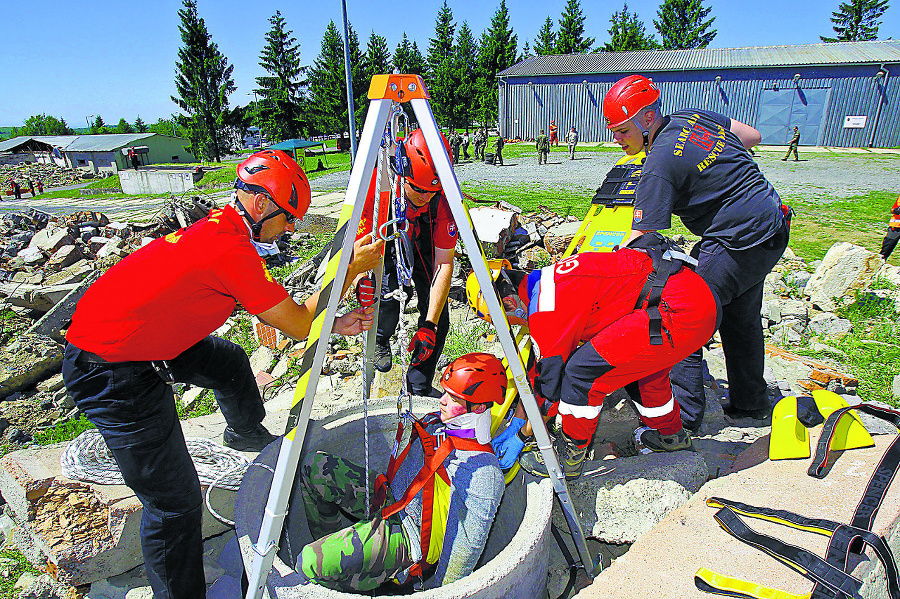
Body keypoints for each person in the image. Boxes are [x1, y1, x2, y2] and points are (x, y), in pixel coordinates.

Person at [62, 149, 384, 599]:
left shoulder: (221, 226)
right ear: (260, 205)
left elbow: (290, 311)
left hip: (142, 342)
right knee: (175, 504)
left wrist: (333, 320)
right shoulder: (228, 250)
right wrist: (350, 270)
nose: (290, 229)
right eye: (289, 218)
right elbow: (297, 325)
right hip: (112, 371)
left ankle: (245, 435)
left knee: (228, 362)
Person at [603, 74, 789, 431]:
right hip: (771, 223)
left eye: (623, 131)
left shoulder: (658, 164)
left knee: (683, 311)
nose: (617, 140)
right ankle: (750, 404)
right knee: (740, 315)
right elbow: (752, 136)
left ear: (646, 119)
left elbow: (643, 238)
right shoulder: (691, 117)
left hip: (738, 237)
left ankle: (682, 420)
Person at [468, 236, 719, 479]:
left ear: (509, 304)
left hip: (679, 311)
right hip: (690, 297)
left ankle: (569, 457)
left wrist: (522, 435)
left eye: (505, 320)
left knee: (581, 374)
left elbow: (551, 384)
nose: (513, 324)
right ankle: (672, 437)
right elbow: (540, 370)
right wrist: (517, 422)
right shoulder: (549, 282)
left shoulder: (545, 311)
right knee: (644, 376)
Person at [295, 352, 506, 592]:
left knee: (309, 562)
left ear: (478, 407)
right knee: (315, 467)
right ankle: (337, 559)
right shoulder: (441, 425)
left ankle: (341, 572)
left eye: (454, 398)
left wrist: (440, 592)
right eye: (445, 391)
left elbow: (464, 551)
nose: (442, 400)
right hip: (392, 499)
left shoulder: (483, 474)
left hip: (409, 536)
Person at [367, 129, 458, 398]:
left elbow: (444, 264)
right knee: (389, 297)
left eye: (432, 191)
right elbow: (363, 250)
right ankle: (381, 338)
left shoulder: (443, 199)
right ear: (401, 172)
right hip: (390, 235)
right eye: (417, 189)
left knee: (439, 317)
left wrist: (428, 325)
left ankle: (417, 387)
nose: (424, 197)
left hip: (425, 239)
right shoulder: (377, 189)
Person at [880, 194, 900, 260]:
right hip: (895, 227)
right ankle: (879, 263)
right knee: (886, 248)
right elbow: (892, 209)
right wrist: (895, 211)